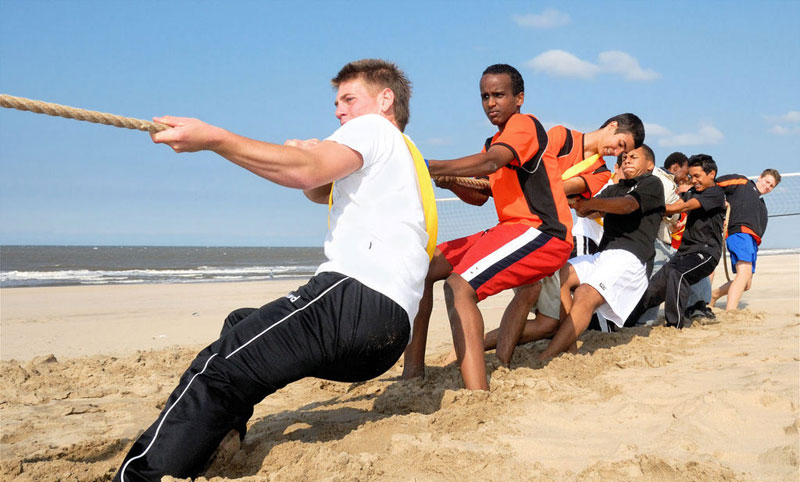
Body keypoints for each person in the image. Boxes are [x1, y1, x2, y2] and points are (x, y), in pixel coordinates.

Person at [114, 59, 435, 481]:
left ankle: (137, 478)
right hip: (385, 335)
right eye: (336, 103)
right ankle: (223, 438)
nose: (339, 110)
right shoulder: (402, 156)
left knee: (217, 368)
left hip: (353, 299)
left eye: (348, 99)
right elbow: (318, 188)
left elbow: (304, 173)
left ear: (385, 100)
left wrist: (214, 138)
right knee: (239, 325)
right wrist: (309, 154)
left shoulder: (372, 127)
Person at [401, 64, 573, 390]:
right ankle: (412, 376)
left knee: (458, 287)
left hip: (543, 234)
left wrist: (425, 166)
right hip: (510, 229)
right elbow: (480, 195)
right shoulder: (493, 141)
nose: (490, 103)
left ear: (519, 98)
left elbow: (490, 162)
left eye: (498, 95)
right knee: (422, 269)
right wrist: (451, 182)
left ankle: (476, 393)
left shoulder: (524, 125)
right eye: (484, 96)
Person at [481, 114, 645, 363]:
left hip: (551, 236)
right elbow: (537, 175)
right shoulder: (561, 136)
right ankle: (495, 355)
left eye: (623, 152)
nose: (617, 153)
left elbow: (555, 187)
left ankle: (483, 350)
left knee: (546, 320)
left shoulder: (600, 172)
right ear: (612, 126)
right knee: (532, 299)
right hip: (524, 227)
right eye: (620, 144)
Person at [536, 144, 665, 361]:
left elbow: (628, 205)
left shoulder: (651, 183)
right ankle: (569, 349)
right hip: (604, 255)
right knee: (557, 275)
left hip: (631, 257)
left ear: (650, 164)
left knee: (585, 293)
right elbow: (588, 212)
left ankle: (547, 356)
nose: (626, 160)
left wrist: (590, 203)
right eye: (625, 157)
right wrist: (578, 202)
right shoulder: (615, 189)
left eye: (633, 157)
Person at [630, 154, 726, 328]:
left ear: (711, 174)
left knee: (678, 274)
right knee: (653, 289)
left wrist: (652, 208)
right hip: (684, 253)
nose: (693, 180)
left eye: (697, 176)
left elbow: (684, 206)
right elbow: (678, 207)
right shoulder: (691, 193)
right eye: (691, 176)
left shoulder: (715, 193)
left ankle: (675, 324)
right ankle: (626, 322)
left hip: (705, 253)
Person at [710, 169, 781, 310]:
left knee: (747, 284)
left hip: (753, 241)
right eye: (767, 181)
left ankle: (713, 295)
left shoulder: (762, 206)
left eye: (771, 186)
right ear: (760, 177)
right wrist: (720, 205)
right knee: (744, 273)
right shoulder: (742, 182)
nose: (767, 186)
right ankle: (731, 311)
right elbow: (714, 184)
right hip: (740, 233)